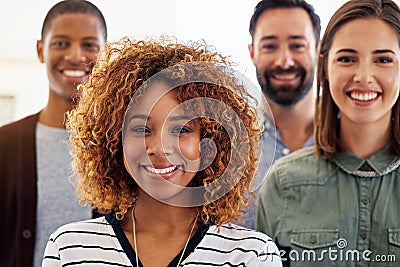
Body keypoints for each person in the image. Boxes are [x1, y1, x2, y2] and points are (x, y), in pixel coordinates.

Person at [40, 36, 283, 266]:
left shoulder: (251, 254)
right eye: (141, 128)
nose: (159, 149)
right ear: (114, 139)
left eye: (182, 130)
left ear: (210, 142)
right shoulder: (70, 248)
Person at [257, 0, 400, 266]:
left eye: (383, 59)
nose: (364, 76)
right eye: (347, 59)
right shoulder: (282, 181)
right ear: (324, 66)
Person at [0, 1, 107, 266]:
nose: (76, 55)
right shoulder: (4, 145)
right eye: (61, 43)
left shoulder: (122, 147)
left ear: (105, 53)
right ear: (40, 50)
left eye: (90, 45)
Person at [243, 0, 321, 229]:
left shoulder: (351, 136)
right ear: (252, 53)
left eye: (297, 45)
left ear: (317, 50)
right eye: (269, 46)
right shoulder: (229, 146)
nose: (284, 61)